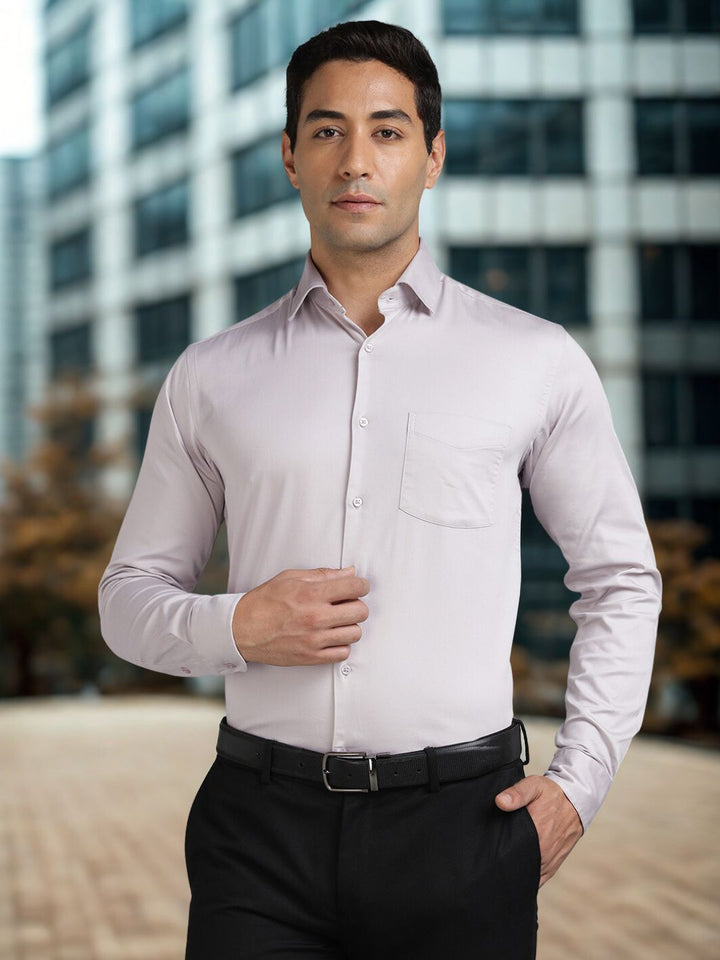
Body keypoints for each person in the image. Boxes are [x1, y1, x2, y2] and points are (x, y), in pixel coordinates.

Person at [98, 19, 662, 960]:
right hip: (257, 836)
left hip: (463, 832)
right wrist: (238, 628)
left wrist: (580, 783)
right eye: (326, 130)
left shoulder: (534, 361)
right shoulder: (211, 376)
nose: (356, 159)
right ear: (289, 156)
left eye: (389, 131)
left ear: (433, 156)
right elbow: (126, 601)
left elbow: (620, 580)